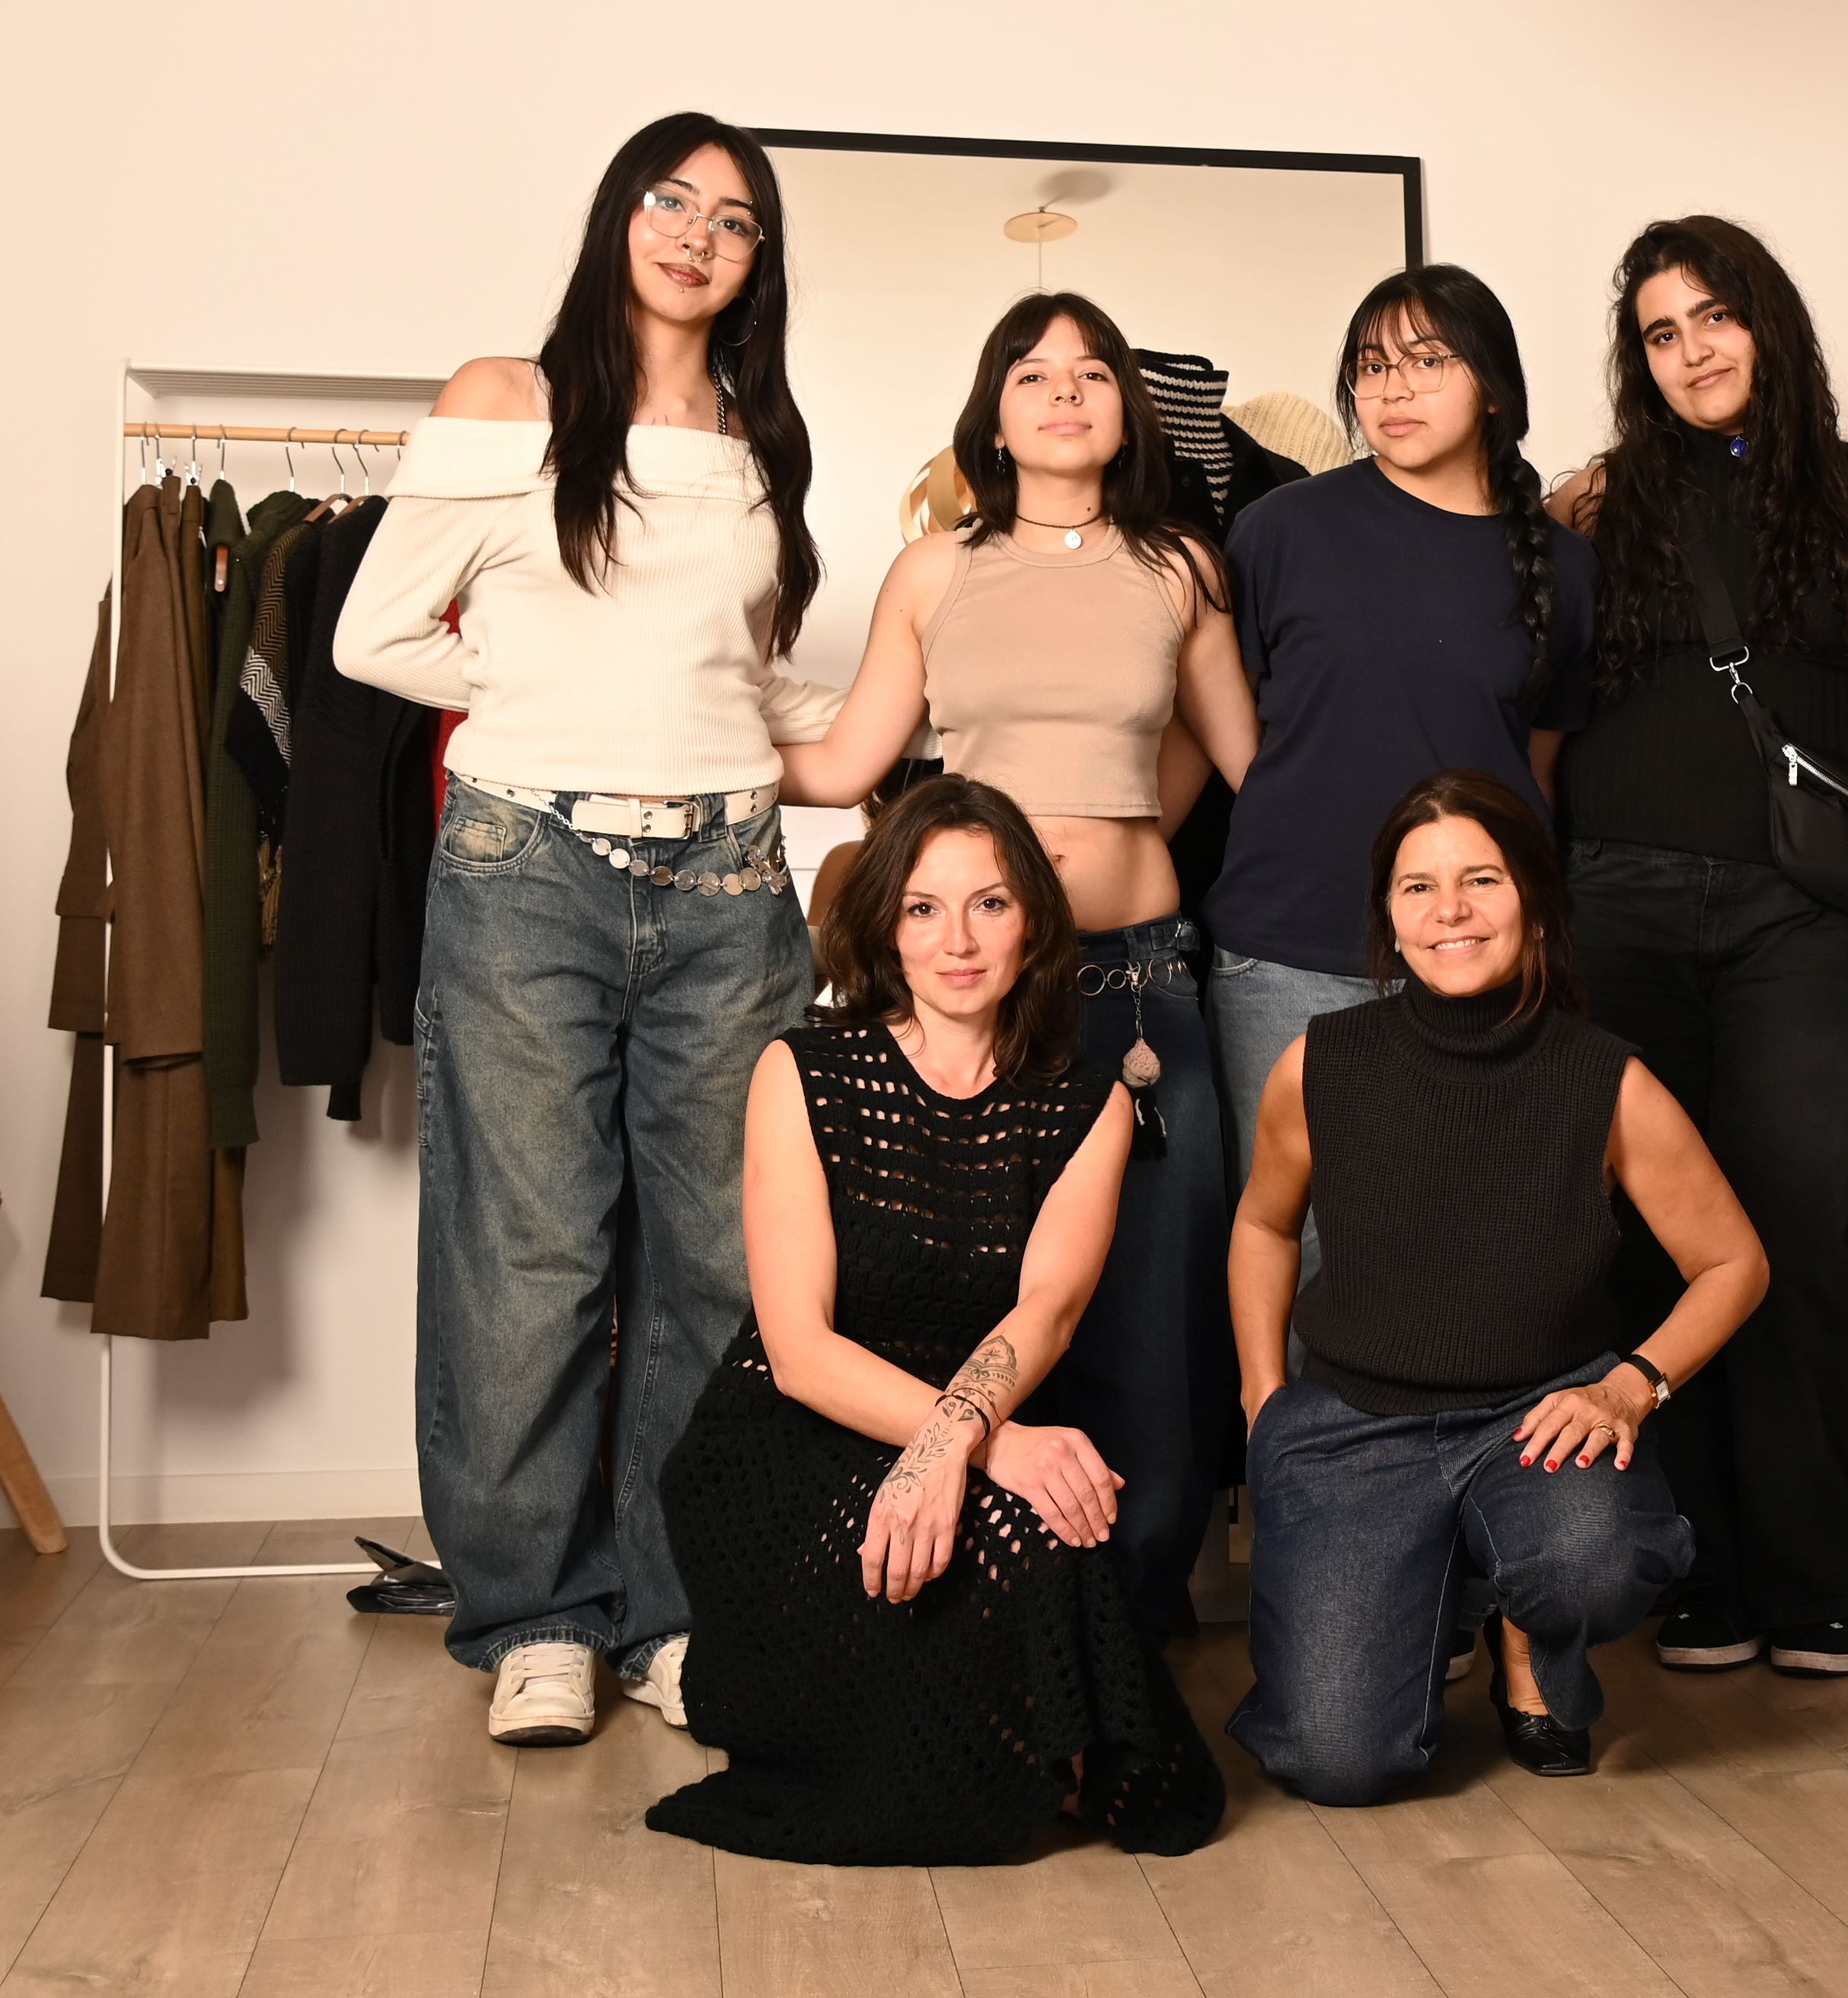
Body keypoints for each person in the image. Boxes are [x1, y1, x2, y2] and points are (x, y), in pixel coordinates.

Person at [332, 112, 849, 1744]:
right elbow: (373, 634)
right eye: (669, 200)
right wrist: (544, 695)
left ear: (759, 262)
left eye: (735, 220)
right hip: (527, 864)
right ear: (620, 216)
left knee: (719, 1260)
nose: (697, 234)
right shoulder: (507, 398)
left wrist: (921, 698)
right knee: (530, 1257)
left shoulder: (763, 443)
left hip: (731, 877)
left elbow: (745, 681)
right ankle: (537, 1616)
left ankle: (677, 1614)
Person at [777, 290, 1260, 1642]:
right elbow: (850, 761)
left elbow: (1238, 759)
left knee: (1155, 1309)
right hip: (983, 997)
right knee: (989, 1299)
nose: (1064, 394)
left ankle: (1139, 1615)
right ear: (992, 415)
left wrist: (1115, 833)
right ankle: (1010, 1605)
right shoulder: (935, 571)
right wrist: (667, 729)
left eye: (1092, 373)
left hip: (1139, 986)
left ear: (1128, 411)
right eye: (1034, 375)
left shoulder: (1181, 566)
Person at [645, 775, 1224, 1863]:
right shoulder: (801, 1070)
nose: (957, 941)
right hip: (789, 1441)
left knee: (1052, 1535)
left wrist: (956, 1445)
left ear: (1033, 924)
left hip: (966, 1419)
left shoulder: (1092, 1101)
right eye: (923, 908)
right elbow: (800, 1351)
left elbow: (1048, 1310)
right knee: (991, 1561)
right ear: (886, 928)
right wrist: (985, 1442)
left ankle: (1035, 1749)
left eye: (989, 904)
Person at [1226, 771, 1766, 1802]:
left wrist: (1631, 1386)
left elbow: (1734, 1261)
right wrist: (1262, 1394)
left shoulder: (1608, 1082)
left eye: (1481, 880)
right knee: (1338, 1759)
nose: (1451, 911)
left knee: (1593, 1561)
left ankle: (1530, 1630)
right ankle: (1427, 1589)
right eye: (1417, 887)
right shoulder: (1319, 1065)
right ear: (1389, 918)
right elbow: (1263, 1224)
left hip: (1538, 1418)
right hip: (1354, 1423)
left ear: (1537, 903)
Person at [1546, 217, 1848, 1678]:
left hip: (1800, 912)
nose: (1692, 350)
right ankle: (1702, 1568)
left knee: (1796, 1223)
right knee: (1650, 1235)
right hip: (1618, 899)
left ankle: (1820, 1575)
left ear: (1770, 322)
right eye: (1661, 331)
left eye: (1715, 316)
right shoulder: (1594, 506)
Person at [1204, 266, 1596, 1201]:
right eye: (1372, 367)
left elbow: (1534, 776)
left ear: (1493, 387)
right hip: (1288, 944)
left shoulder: (1567, 568)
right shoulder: (1279, 529)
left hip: (1476, 947)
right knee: (1295, 1234)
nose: (1392, 389)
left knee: (1465, 1232)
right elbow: (1220, 721)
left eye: (1427, 361)